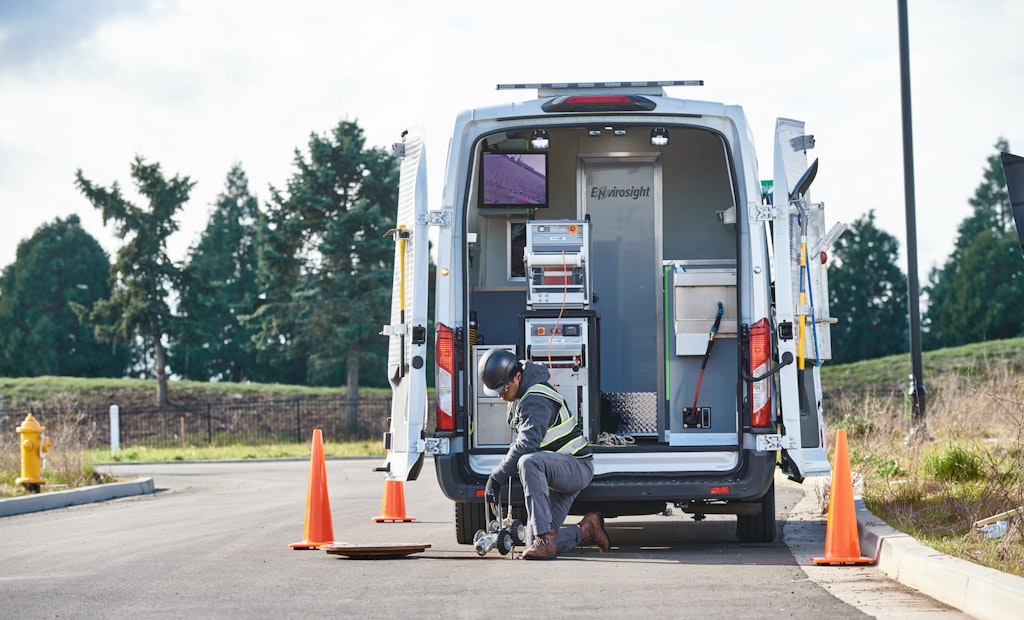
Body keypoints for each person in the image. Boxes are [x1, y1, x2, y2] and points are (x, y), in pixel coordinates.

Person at [478, 348, 610, 560]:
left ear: (518, 376)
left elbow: (526, 445)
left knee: (528, 462)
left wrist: (498, 475)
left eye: (503, 388)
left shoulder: (535, 398)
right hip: (554, 472)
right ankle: (588, 529)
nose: (501, 395)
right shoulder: (519, 396)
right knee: (533, 544)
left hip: (575, 467)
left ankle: (546, 540)